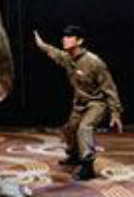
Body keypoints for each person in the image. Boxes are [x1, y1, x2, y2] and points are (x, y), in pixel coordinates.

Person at [33, 25, 123, 180]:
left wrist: (115, 113)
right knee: (69, 129)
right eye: (64, 36)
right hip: (79, 103)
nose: (64, 39)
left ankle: (88, 166)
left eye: (69, 37)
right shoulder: (67, 58)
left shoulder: (94, 62)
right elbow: (52, 51)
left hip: (97, 103)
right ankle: (74, 155)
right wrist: (40, 43)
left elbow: (110, 88)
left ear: (79, 41)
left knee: (84, 128)